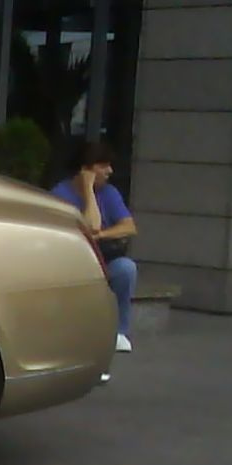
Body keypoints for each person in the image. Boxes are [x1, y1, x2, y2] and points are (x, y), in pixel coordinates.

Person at [51, 142, 138, 352]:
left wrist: (101, 235)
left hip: (103, 258)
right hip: (74, 261)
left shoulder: (110, 192)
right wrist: (88, 190)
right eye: (103, 165)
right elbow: (93, 224)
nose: (110, 171)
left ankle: (119, 332)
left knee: (126, 268)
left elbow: (129, 227)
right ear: (86, 170)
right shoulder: (61, 194)